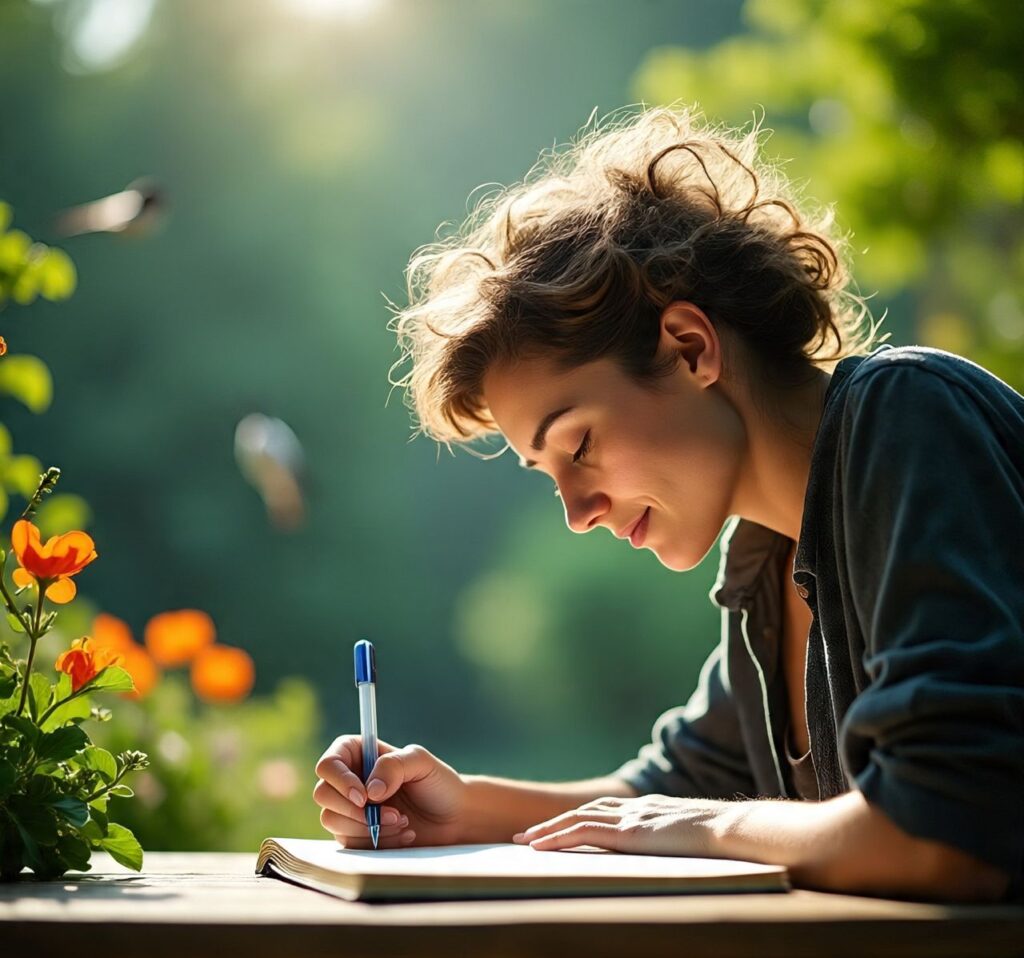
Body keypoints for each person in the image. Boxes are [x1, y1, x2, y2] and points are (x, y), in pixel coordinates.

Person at [312, 104, 1024, 903]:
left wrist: (708, 827)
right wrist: (459, 809)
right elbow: (663, 788)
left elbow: (947, 831)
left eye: (578, 445)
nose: (577, 513)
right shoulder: (762, 560)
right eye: (547, 474)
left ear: (691, 346)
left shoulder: (909, 417)